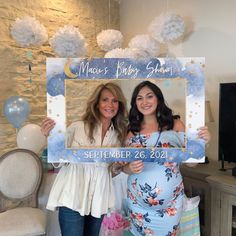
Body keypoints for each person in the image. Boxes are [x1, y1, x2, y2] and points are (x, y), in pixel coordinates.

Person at [122, 81, 210, 236]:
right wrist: (129, 168)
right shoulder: (130, 131)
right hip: (137, 204)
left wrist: (202, 143)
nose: (145, 102)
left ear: (158, 99)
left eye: (149, 96)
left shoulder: (175, 124)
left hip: (169, 207)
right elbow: (122, 166)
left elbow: (192, 164)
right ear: (135, 103)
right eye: (139, 98)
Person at [41, 82, 128, 236]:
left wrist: (119, 166)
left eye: (115, 101)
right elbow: (59, 161)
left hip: (99, 198)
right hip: (72, 195)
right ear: (96, 103)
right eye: (105, 100)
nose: (110, 105)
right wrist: (51, 138)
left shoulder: (119, 135)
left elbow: (111, 171)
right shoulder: (78, 127)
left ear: (119, 105)